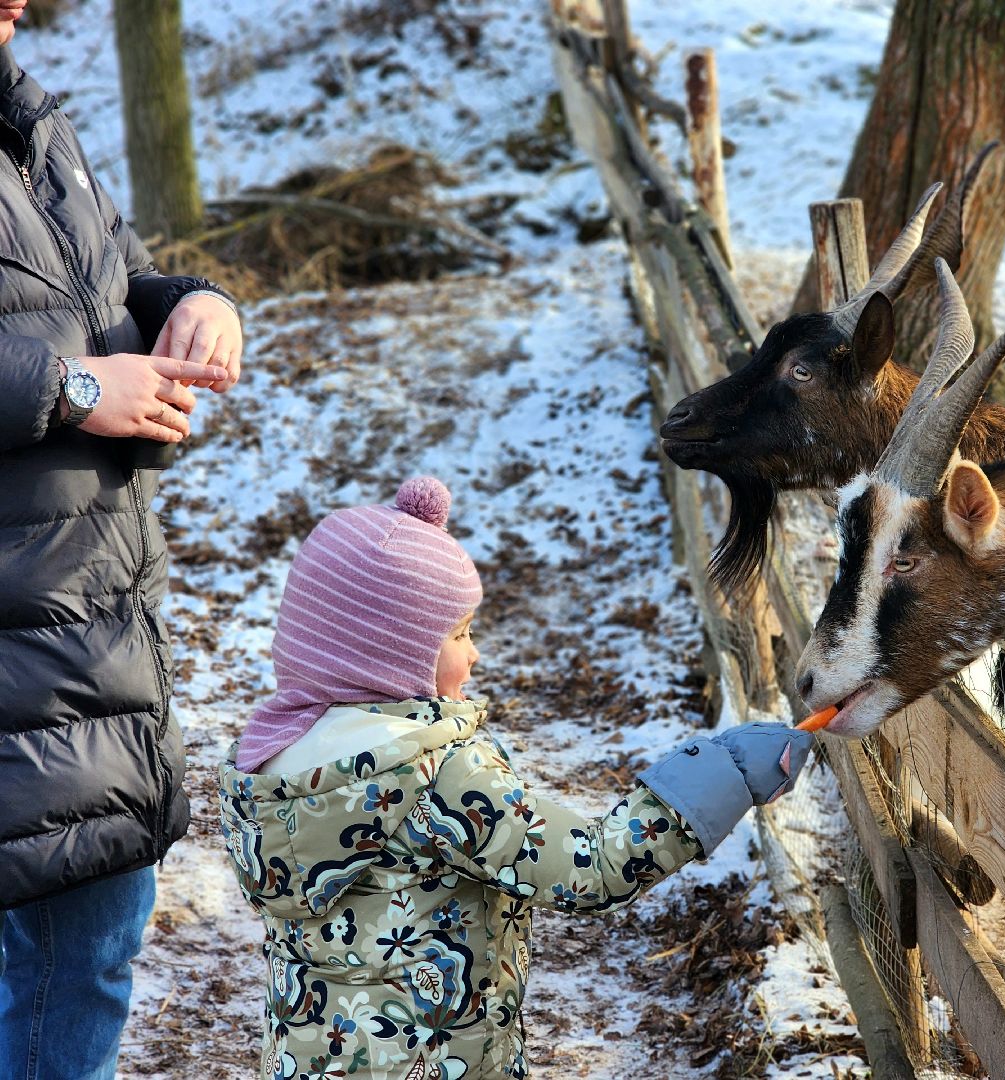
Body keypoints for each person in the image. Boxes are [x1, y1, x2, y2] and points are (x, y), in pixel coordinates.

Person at [218, 477, 814, 1080]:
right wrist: (723, 775)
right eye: (457, 635)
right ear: (384, 652)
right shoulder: (433, 774)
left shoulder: (270, 762)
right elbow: (593, 870)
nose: (473, 654)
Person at [0, 3, 244, 1077]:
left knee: (83, 963)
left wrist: (197, 304)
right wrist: (69, 387)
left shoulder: (35, 124)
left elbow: (105, 288)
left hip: (83, 628)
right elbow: (62, 361)